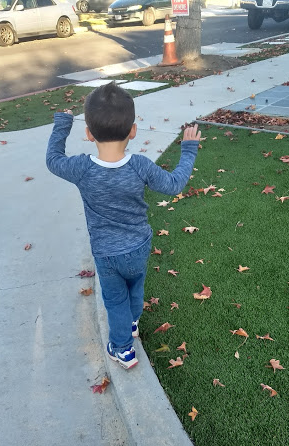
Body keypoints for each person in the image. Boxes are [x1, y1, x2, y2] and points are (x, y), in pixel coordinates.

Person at [46, 82, 201, 370]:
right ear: (132, 130)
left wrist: (62, 124)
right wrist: (189, 149)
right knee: (136, 285)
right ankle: (132, 323)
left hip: (107, 254)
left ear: (89, 133)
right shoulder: (140, 166)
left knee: (115, 300)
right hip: (139, 246)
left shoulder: (81, 168)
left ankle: (122, 349)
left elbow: (53, 161)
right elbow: (175, 183)